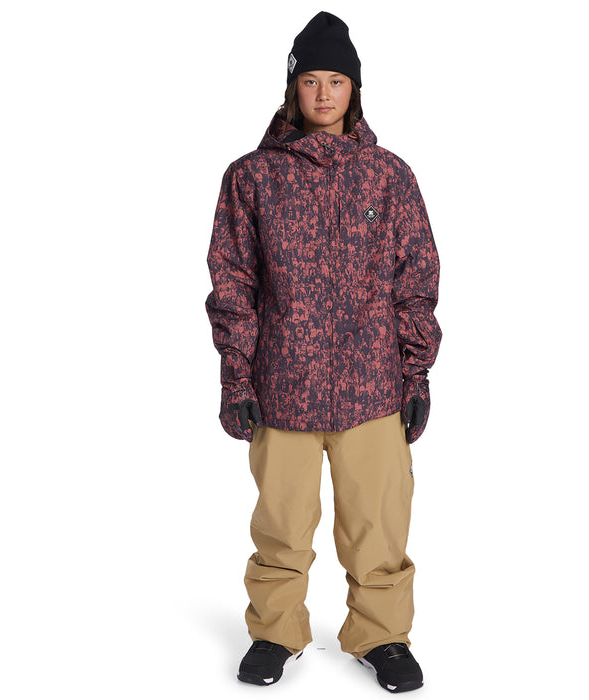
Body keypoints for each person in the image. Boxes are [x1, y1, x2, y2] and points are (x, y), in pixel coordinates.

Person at [205, 11, 442, 693]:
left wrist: (416, 373)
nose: (324, 94)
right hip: (283, 385)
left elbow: (416, 279)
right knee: (281, 525)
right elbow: (233, 282)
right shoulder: (252, 177)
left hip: (373, 387)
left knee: (379, 524)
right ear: (293, 88)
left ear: (354, 89)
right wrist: (236, 378)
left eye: (337, 80)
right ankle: (276, 632)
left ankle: (382, 634)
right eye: (311, 80)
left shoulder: (388, 177)